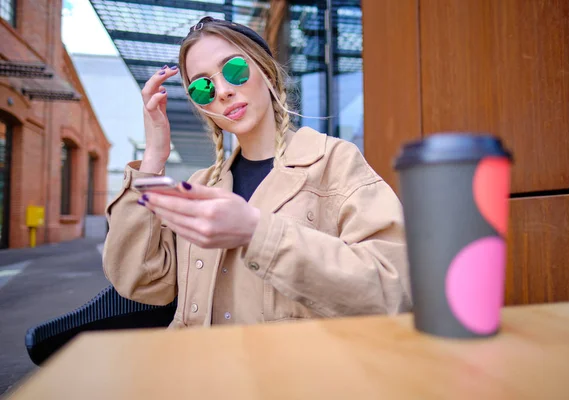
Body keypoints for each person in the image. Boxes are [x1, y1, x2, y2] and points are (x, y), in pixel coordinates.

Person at [102, 16, 412, 328]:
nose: (222, 91)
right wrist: (154, 158)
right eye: (202, 87)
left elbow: (393, 292)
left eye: (234, 70)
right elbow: (140, 281)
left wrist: (256, 232)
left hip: (290, 374)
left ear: (266, 70)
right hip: (196, 372)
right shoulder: (201, 185)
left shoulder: (334, 162)